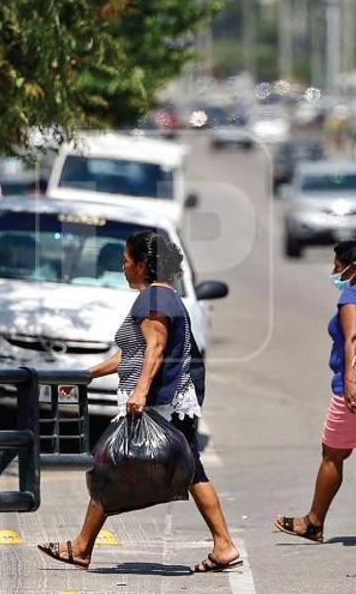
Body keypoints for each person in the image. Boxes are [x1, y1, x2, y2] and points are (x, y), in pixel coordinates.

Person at [37, 231, 242, 573]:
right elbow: (131, 354)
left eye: (126, 261)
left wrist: (141, 391)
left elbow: (155, 349)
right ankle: (222, 544)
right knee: (178, 470)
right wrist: (89, 373)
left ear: (143, 265)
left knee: (110, 466)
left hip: (163, 404)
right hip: (172, 401)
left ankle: (82, 546)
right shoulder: (162, 297)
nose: (124, 268)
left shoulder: (155, 300)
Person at [272, 240, 356, 543]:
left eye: (337, 265)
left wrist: (350, 382)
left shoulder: (353, 295)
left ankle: (313, 522)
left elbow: (355, 339)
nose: (334, 272)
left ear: (354, 268)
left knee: (333, 452)